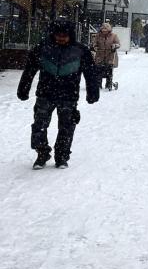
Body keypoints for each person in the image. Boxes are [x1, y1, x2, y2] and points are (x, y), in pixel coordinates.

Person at [17, 20, 100, 169]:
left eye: (65, 35)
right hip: (45, 93)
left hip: (69, 96)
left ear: (71, 35)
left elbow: (91, 73)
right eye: (58, 35)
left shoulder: (81, 51)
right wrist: (24, 88)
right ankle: (42, 153)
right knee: (39, 125)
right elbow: (29, 70)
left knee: (67, 127)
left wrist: (92, 91)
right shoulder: (42, 48)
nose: (61, 38)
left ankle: (61, 156)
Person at [92, 22, 120, 91]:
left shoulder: (114, 36)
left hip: (110, 55)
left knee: (109, 71)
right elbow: (94, 43)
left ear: (109, 30)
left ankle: (108, 84)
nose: (104, 31)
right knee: (98, 70)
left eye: (106, 29)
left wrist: (114, 46)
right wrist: (95, 47)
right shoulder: (98, 36)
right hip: (100, 55)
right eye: (103, 29)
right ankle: (98, 85)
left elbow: (118, 44)